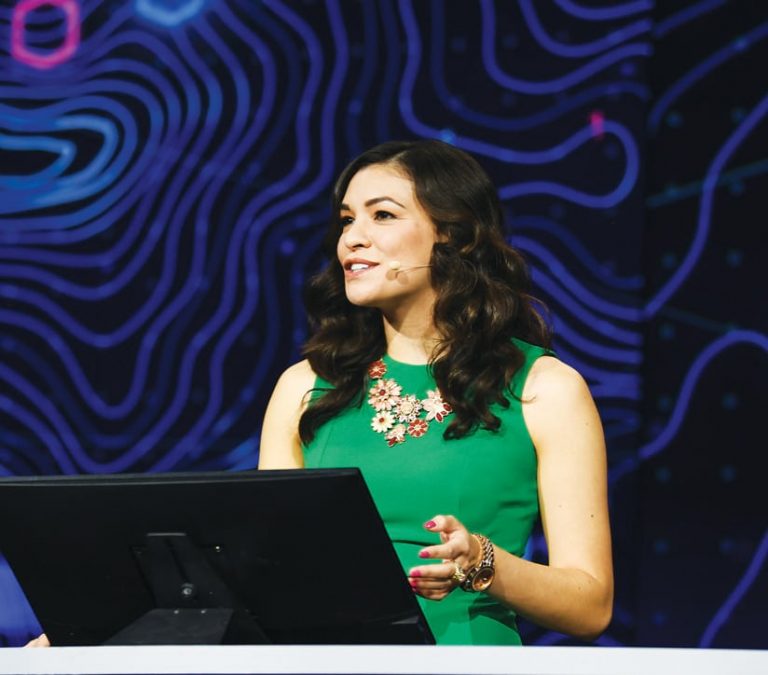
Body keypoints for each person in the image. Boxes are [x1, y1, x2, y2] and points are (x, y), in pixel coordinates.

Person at [259, 139, 613, 646]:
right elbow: (271, 568)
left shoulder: (544, 389)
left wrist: (482, 562)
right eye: (346, 220)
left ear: (454, 237)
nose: (352, 239)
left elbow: (591, 604)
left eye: (382, 216)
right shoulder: (306, 385)